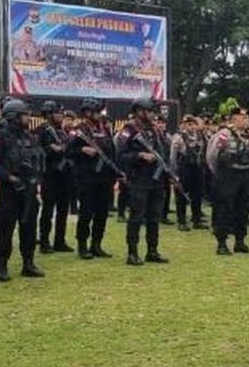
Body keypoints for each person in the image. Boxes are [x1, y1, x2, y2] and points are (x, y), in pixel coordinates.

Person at [0, 98, 45, 281]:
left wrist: (36, 178)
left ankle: (28, 264)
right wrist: (11, 178)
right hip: (10, 191)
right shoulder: (2, 136)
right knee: (6, 230)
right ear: (14, 116)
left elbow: (38, 158)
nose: (28, 118)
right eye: (24, 115)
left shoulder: (29, 136)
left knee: (29, 228)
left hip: (29, 189)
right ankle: (2, 266)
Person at [117, 98, 170, 266]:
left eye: (152, 111)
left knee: (154, 217)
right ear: (139, 111)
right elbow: (121, 155)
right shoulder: (129, 129)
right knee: (136, 217)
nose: (152, 114)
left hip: (156, 178)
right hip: (139, 178)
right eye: (148, 111)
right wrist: (139, 156)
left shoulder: (154, 129)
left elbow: (163, 152)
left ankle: (152, 251)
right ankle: (132, 253)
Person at [67, 97, 117, 260]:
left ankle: (96, 244)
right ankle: (82, 246)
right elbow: (69, 152)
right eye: (96, 112)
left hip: (104, 178)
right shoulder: (79, 129)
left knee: (102, 213)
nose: (99, 115)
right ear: (88, 112)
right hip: (86, 177)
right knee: (86, 213)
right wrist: (83, 150)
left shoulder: (104, 128)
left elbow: (111, 151)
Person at [208, 106, 249, 255]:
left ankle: (240, 241)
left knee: (243, 209)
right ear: (234, 119)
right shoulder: (224, 134)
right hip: (228, 176)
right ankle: (222, 243)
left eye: (247, 117)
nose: (246, 120)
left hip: (244, 175)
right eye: (243, 117)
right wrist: (219, 174)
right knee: (224, 209)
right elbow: (212, 156)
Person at [37, 100, 74, 254]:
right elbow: (38, 152)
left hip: (64, 175)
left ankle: (60, 240)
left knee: (63, 210)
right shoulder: (42, 130)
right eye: (57, 113)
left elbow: (68, 148)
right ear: (49, 114)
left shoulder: (62, 131)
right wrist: (52, 149)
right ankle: (44, 241)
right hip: (50, 175)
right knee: (48, 210)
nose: (61, 116)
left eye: (61, 113)